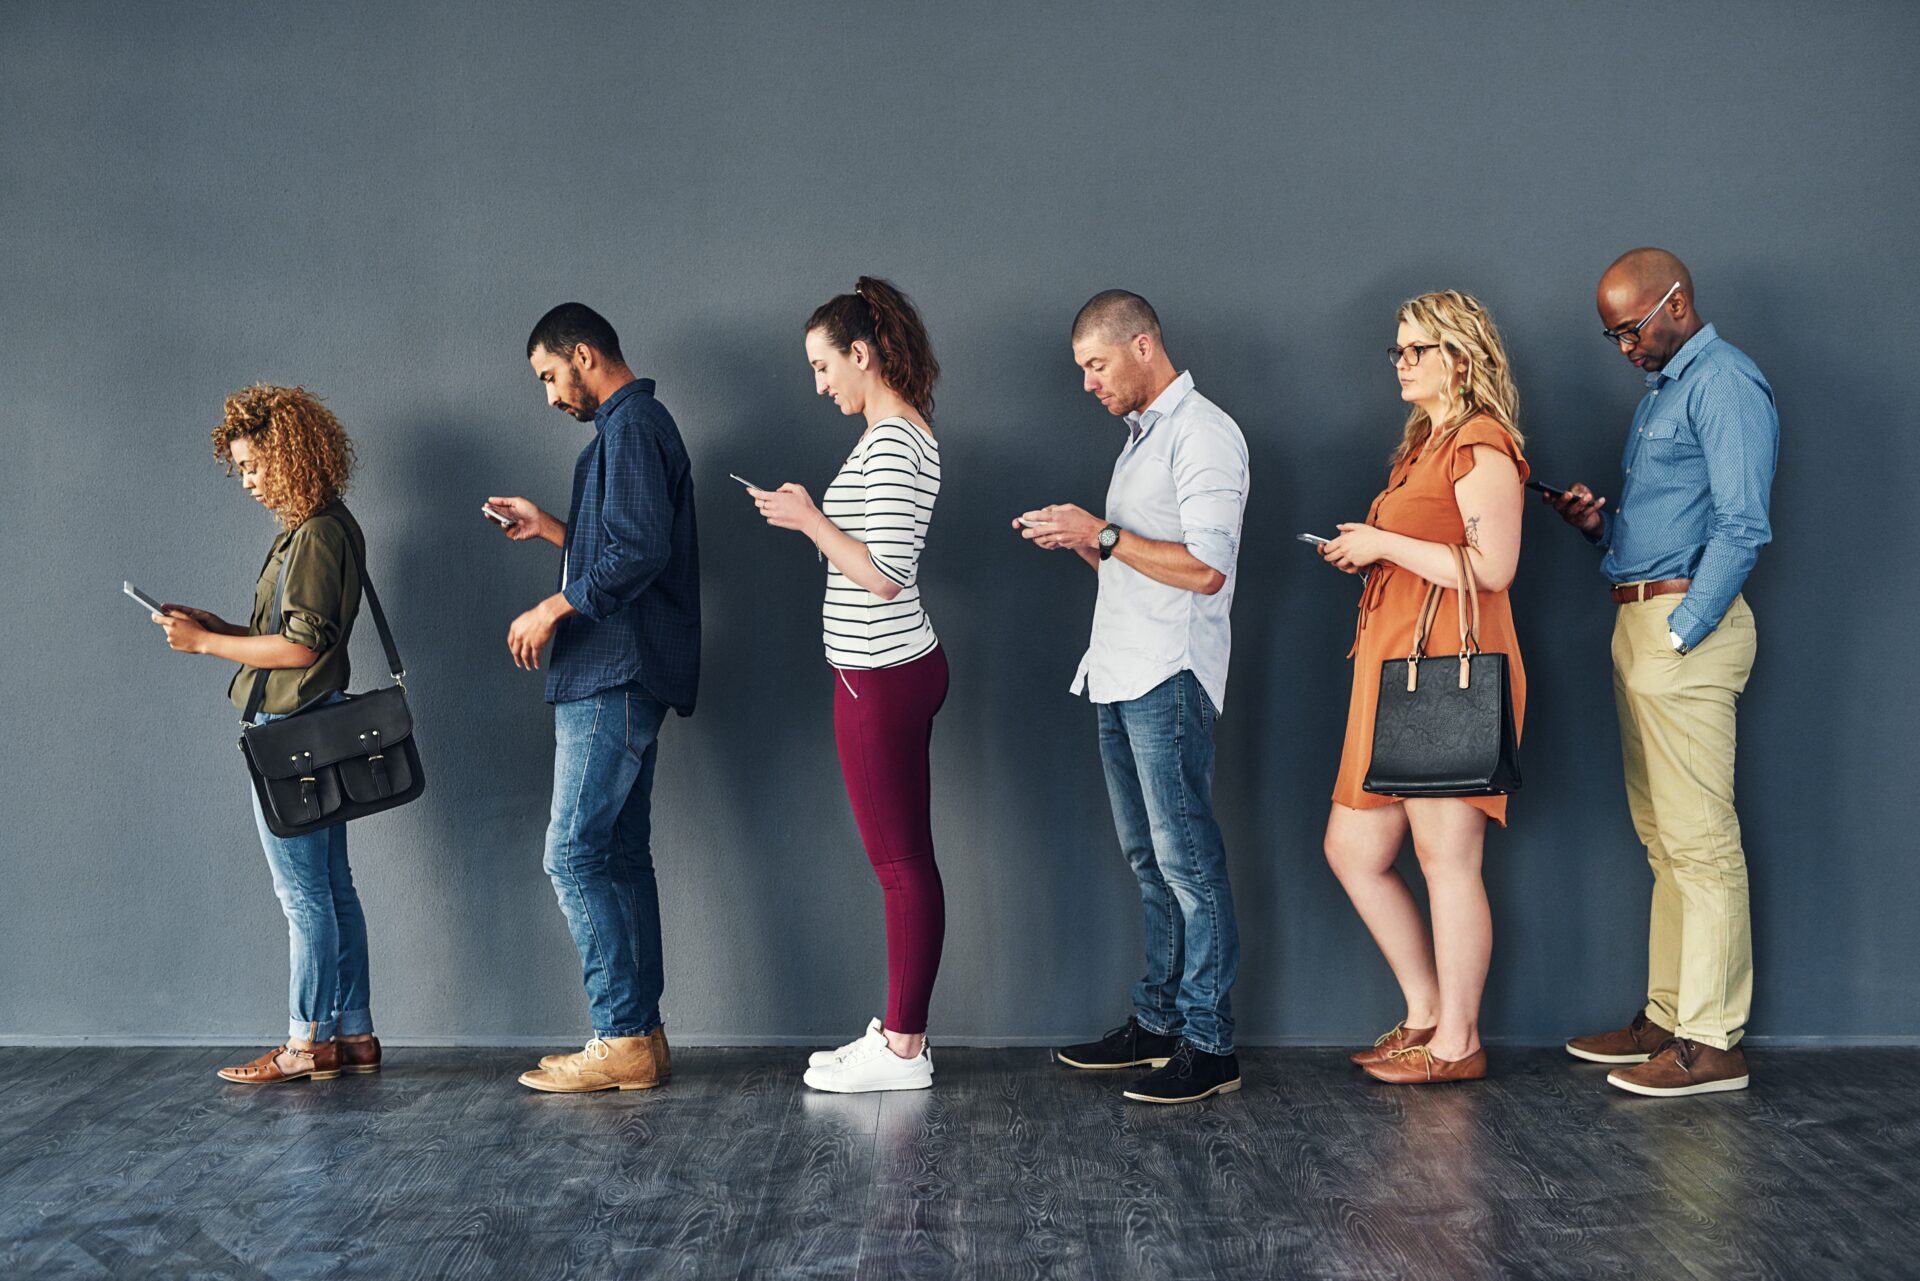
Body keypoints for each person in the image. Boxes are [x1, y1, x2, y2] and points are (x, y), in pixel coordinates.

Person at [1548, 248, 1776, 1097]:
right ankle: (1672, 1014)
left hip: (1684, 632)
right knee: (1664, 840)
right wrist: (1598, 526)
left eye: (1630, 330)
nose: (1623, 349)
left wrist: (1682, 631)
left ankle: (1713, 1041)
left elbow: (1743, 525)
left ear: (1675, 302)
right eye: (1611, 336)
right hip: (1639, 618)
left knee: (1703, 842)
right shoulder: (1665, 392)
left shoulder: (1724, 381)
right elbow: (1663, 530)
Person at [1018, 290, 1249, 1106]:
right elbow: (1134, 565)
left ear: (1143, 345)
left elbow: (1206, 570)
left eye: (1096, 364)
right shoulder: (1142, 440)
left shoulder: (1206, 435)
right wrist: (1083, 541)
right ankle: (1157, 1025)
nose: (1087, 383)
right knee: (1150, 862)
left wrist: (1104, 533)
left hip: (1169, 676)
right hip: (1117, 671)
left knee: (1188, 863)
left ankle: (1210, 1043)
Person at [489, 302, 701, 1093]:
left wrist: (550, 606)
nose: (549, 395)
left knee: (573, 853)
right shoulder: (629, 429)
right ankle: (640, 1034)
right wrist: (551, 528)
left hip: (612, 671)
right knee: (617, 853)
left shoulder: (632, 426)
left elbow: (641, 549)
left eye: (549, 374)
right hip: (623, 670)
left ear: (584, 354)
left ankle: (618, 1034)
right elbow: (625, 539)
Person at [1319, 291, 1529, 1086]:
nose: (1401, 363)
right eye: (1397, 351)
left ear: (1461, 359)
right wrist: (1372, 550)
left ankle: (1458, 1042)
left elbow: (1493, 568)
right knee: (1353, 849)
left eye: (1417, 350)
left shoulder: (1480, 442)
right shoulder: (1428, 441)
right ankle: (1426, 1012)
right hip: (1395, 671)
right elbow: (1427, 550)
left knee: (1447, 861)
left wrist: (1385, 542)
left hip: (1446, 673)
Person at [747, 277, 948, 1094]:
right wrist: (814, 520)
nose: (819, 384)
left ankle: (904, 1049)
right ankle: (901, 1033)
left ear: (861, 355)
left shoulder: (897, 441)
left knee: (900, 864)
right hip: (880, 673)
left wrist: (809, 520)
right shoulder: (886, 437)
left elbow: (887, 576)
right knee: (903, 861)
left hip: (882, 676)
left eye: (823, 366)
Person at [153, 384, 382, 1085]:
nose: (247, 480)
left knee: (304, 896)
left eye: (255, 465)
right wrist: (218, 626)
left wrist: (205, 648)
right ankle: (354, 1034)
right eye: (243, 468)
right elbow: (290, 637)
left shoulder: (313, 535)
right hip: (318, 723)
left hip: (292, 730)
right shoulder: (328, 524)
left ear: (291, 456)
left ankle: (302, 1045)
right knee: (333, 885)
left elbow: (303, 650)